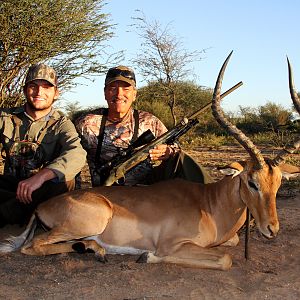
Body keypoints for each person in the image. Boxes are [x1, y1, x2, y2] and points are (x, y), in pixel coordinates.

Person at [75, 65, 212, 187]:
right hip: (104, 195)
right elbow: (71, 156)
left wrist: (169, 151)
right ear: (105, 93)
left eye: (126, 89)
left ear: (134, 94)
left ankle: (210, 199)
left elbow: (176, 147)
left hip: (146, 194)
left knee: (180, 158)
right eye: (113, 88)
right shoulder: (87, 123)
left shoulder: (149, 121)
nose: (119, 94)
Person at [0, 63, 87, 226]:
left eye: (47, 87)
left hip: (43, 190)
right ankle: (24, 214)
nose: (39, 92)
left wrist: (41, 176)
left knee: (65, 181)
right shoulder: (5, 117)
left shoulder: (62, 123)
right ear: (25, 90)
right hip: (14, 187)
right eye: (33, 86)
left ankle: (11, 214)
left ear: (56, 93)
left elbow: (77, 153)